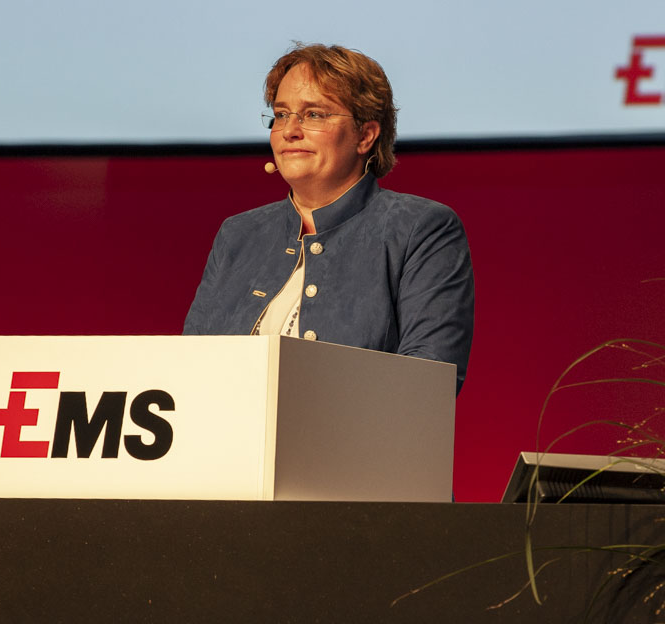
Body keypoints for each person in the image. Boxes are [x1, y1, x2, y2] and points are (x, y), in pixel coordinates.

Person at [183, 43, 474, 394]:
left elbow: (427, 383)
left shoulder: (420, 228)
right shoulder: (239, 234)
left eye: (314, 115)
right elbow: (189, 368)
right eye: (281, 114)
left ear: (365, 135)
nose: (289, 130)